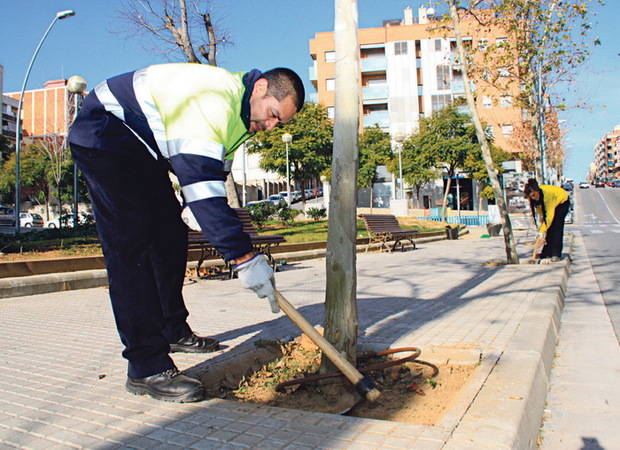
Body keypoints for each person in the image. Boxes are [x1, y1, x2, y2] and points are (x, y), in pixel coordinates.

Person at [68, 63, 304, 403]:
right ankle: (145, 366)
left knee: (169, 238)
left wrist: (193, 209)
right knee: (131, 248)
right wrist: (244, 259)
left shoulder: (240, 118)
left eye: (278, 123)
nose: (269, 126)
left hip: (142, 149)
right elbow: (203, 190)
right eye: (271, 115)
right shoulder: (213, 102)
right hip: (105, 133)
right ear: (261, 87)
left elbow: (213, 173)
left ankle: (172, 330)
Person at [524, 178, 570, 262]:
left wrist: (541, 230)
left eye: (534, 195)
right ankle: (547, 252)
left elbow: (549, 217)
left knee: (556, 227)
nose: (533, 198)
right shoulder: (534, 198)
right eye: (531, 197)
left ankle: (556, 254)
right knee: (549, 229)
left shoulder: (547, 196)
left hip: (562, 202)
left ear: (537, 191)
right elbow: (541, 213)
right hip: (552, 206)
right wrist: (541, 228)